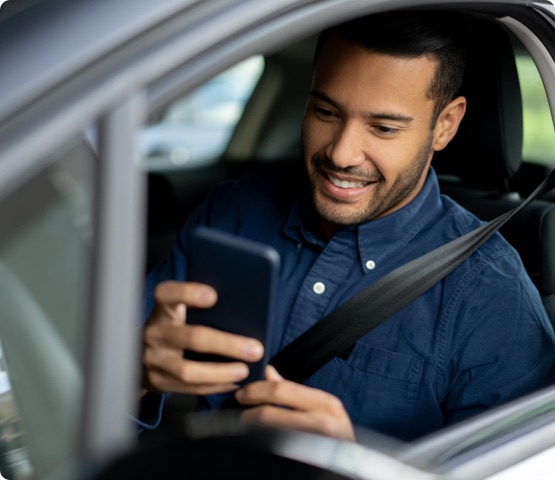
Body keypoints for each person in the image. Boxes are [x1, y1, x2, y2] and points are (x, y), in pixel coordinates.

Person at [139, 10, 555, 442]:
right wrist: (138, 373)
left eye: (383, 127)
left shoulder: (490, 295)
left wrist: (353, 464)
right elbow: (92, 391)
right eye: (326, 111)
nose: (341, 153)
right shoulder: (232, 213)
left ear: (444, 126)